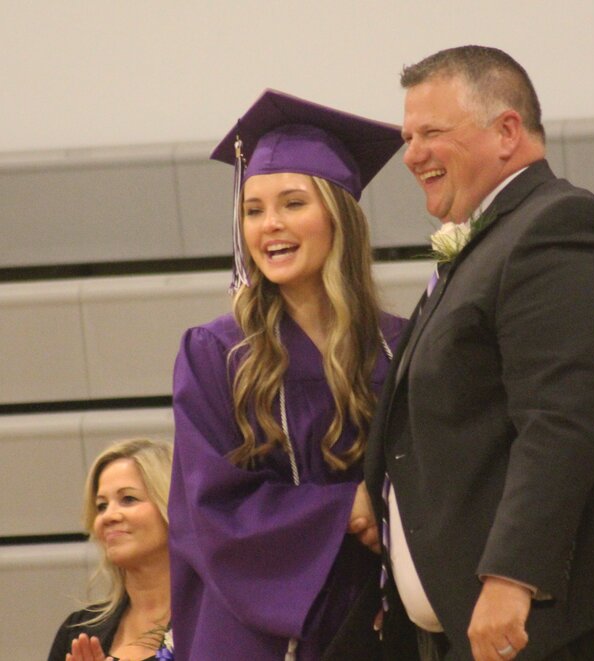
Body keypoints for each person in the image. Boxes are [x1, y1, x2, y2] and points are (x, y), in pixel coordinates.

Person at [361, 45, 594, 661]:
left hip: (581, 622)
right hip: (510, 631)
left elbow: (561, 418)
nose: (412, 154)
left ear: (506, 131)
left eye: (430, 133)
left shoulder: (559, 226)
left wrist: (511, 578)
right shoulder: (488, 242)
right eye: (407, 136)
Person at [168, 89, 406, 661]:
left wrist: (392, 506)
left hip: (382, 617)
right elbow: (208, 510)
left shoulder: (399, 345)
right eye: (253, 210)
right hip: (257, 634)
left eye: (293, 203)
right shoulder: (217, 353)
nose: (269, 225)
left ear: (340, 215)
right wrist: (347, 506)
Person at [48, 438, 174, 661]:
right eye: (101, 506)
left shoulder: (212, 624)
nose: (108, 516)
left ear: (172, 506)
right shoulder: (77, 632)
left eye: (128, 499)